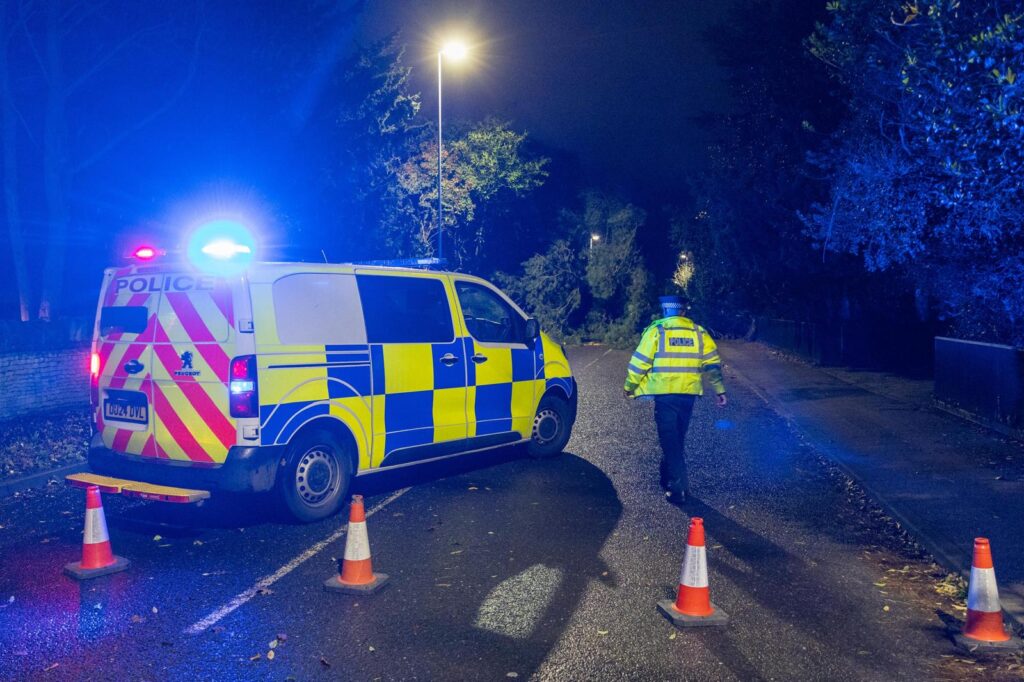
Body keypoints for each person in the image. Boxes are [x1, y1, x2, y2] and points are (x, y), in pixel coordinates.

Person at [623, 295, 727, 505]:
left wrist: (629, 386)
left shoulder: (657, 331)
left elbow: (639, 363)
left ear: (665, 310)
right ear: (683, 311)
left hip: (665, 394)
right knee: (676, 439)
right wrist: (719, 389)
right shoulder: (698, 332)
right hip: (688, 395)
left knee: (670, 441)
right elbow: (712, 364)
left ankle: (679, 488)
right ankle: (667, 478)